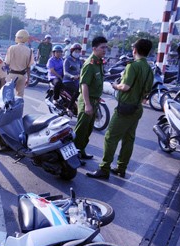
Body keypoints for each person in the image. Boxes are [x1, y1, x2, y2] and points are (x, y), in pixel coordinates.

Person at [87, 38, 153, 179]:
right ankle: (121, 168)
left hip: (125, 108)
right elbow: (147, 91)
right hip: (137, 108)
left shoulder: (132, 66)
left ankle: (104, 168)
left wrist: (115, 86)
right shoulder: (149, 68)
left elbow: (125, 87)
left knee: (110, 137)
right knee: (128, 139)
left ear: (134, 50)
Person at [73, 36, 108, 160]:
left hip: (94, 101)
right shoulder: (90, 64)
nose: (105, 50)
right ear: (94, 48)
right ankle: (74, 155)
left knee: (88, 130)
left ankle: (81, 151)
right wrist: (87, 104)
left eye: (106, 47)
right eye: (102, 47)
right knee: (81, 129)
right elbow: (84, 85)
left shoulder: (99, 63)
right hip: (87, 100)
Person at [5, 29, 35, 97]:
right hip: (22, 76)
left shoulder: (11, 48)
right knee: (20, 96)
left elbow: (7, 63)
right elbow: (28, 67)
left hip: (11, 74)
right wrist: (28, 78)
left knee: (8, 95)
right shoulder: (29, 51)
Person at [62, 43, 83, 114]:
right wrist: (72, 76)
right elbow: (65, 72)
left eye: (78, 51)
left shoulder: (79, 61)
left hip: (77, 81)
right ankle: (69, 108)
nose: (77, 53)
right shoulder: (67, 60)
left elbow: (83, 69)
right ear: (72, 51)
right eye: (75, 51)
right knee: (78, 91)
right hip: (67, 81)